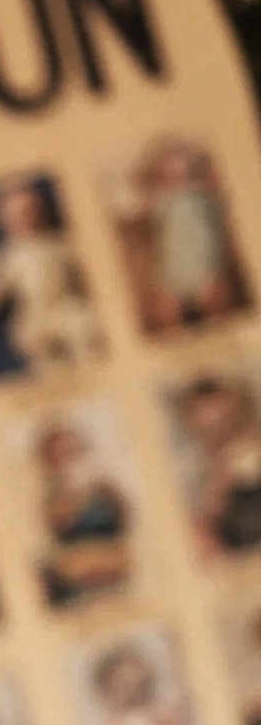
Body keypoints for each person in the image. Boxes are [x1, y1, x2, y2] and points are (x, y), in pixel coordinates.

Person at [0, 177, 101, 375]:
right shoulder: (9, 255)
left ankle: (92, 368)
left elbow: (83, 270)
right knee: (41, 349)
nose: (26, 221)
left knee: (82, 326)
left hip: (64, 306)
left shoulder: (56, 244)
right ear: (5, 221)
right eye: (17, 217)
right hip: (35, 316)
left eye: (29, 213)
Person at [137, 139, 244, 329]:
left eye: (181, 170)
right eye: (169, 171)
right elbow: (147, 205)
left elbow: (221, 204)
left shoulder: (201, 194)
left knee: (214, 296)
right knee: (168, 304)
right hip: (173, 265)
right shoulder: (162, 199)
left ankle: (224, 328)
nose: (177, 177)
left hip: (203, 261)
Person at [33, 417, 132, 604]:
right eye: (61, 454)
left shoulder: (103, 485)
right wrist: (78, 493)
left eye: (73, 451)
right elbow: (58, 526)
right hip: (78, 574)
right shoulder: (51, 494)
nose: (69, 459)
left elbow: (125, 520)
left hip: (113, 566)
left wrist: (109, 490)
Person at [177, 374, 261, 556]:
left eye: (227, 425)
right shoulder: (193, 478)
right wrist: (218, 488)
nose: (223, 439)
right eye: (210, 432)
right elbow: (201, 545)